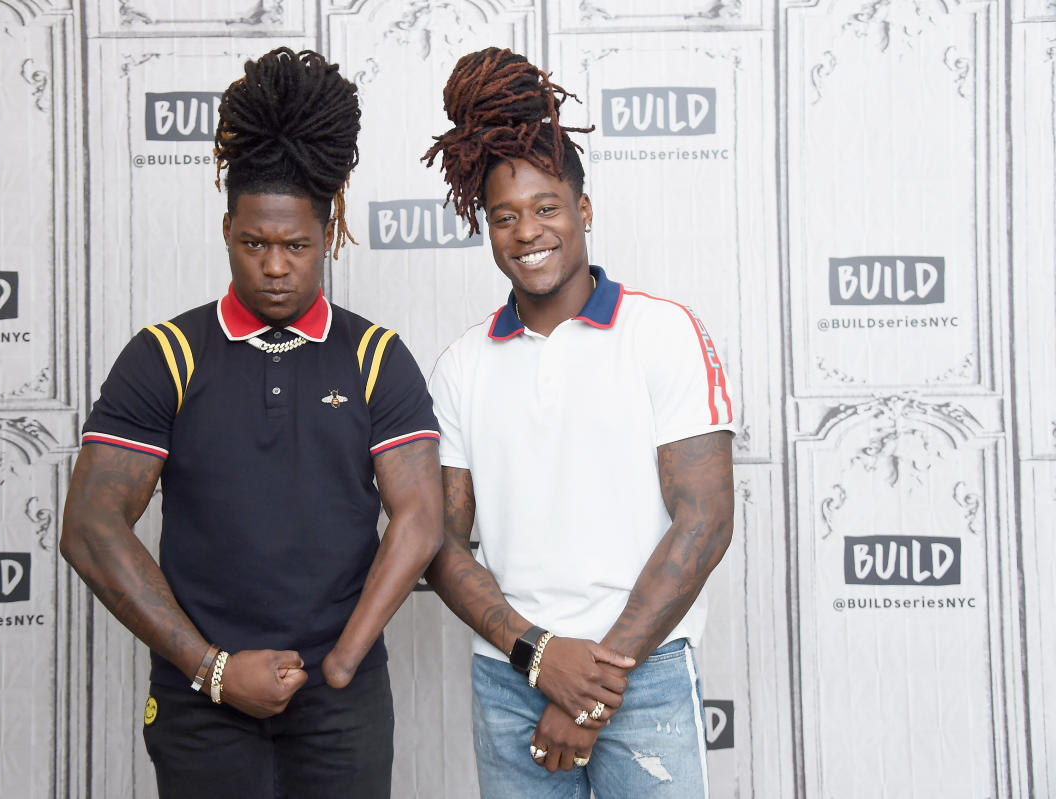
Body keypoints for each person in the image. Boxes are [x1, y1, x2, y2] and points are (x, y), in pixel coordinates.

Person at [60, 47, 442, 799]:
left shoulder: (374, 357)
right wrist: (212, 667)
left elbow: (422, 517)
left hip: (343, 700)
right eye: (255, 243)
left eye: (296, 246)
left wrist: (341, 663)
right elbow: (89, 523)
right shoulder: (165, 355)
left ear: (329, 236)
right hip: (201, 696)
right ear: (227, 228)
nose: (275, 266)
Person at [421, 47, 736, 798]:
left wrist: (593, 683)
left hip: (646, 673)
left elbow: (706, 520)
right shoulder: (462, 364)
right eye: (505, 216)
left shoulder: (664, 332)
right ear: (486, 228)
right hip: (510, 679)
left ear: (583, 211)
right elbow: (437, 540)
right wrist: (538, 656)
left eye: (547, 207)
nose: (528, 231)